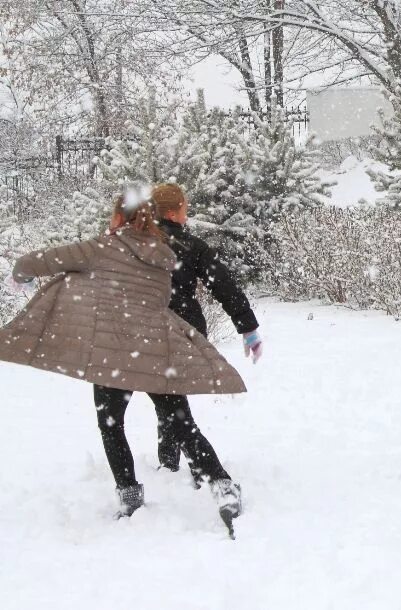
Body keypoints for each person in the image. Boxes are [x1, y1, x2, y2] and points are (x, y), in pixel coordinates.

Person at [0, 195, 247, 536]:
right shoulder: (165, 257)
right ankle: (222, 485)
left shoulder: (100, 247)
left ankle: (130, 496)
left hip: (111, 357)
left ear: (118, 218)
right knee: (182, 425)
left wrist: (22, 277)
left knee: (111, 425)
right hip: (154, 354)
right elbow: (155, 302)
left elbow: (35, 261)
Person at [150, 183, 263, 474]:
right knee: (170, 392)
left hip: (146, 324)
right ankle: (199, 467)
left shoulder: (138, 243)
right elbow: (224, 285)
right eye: (185, 207)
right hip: (185, 324)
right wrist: (247, 327)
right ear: (175, 212)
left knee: (165, 391)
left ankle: (170, 462)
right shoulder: (191, 246)